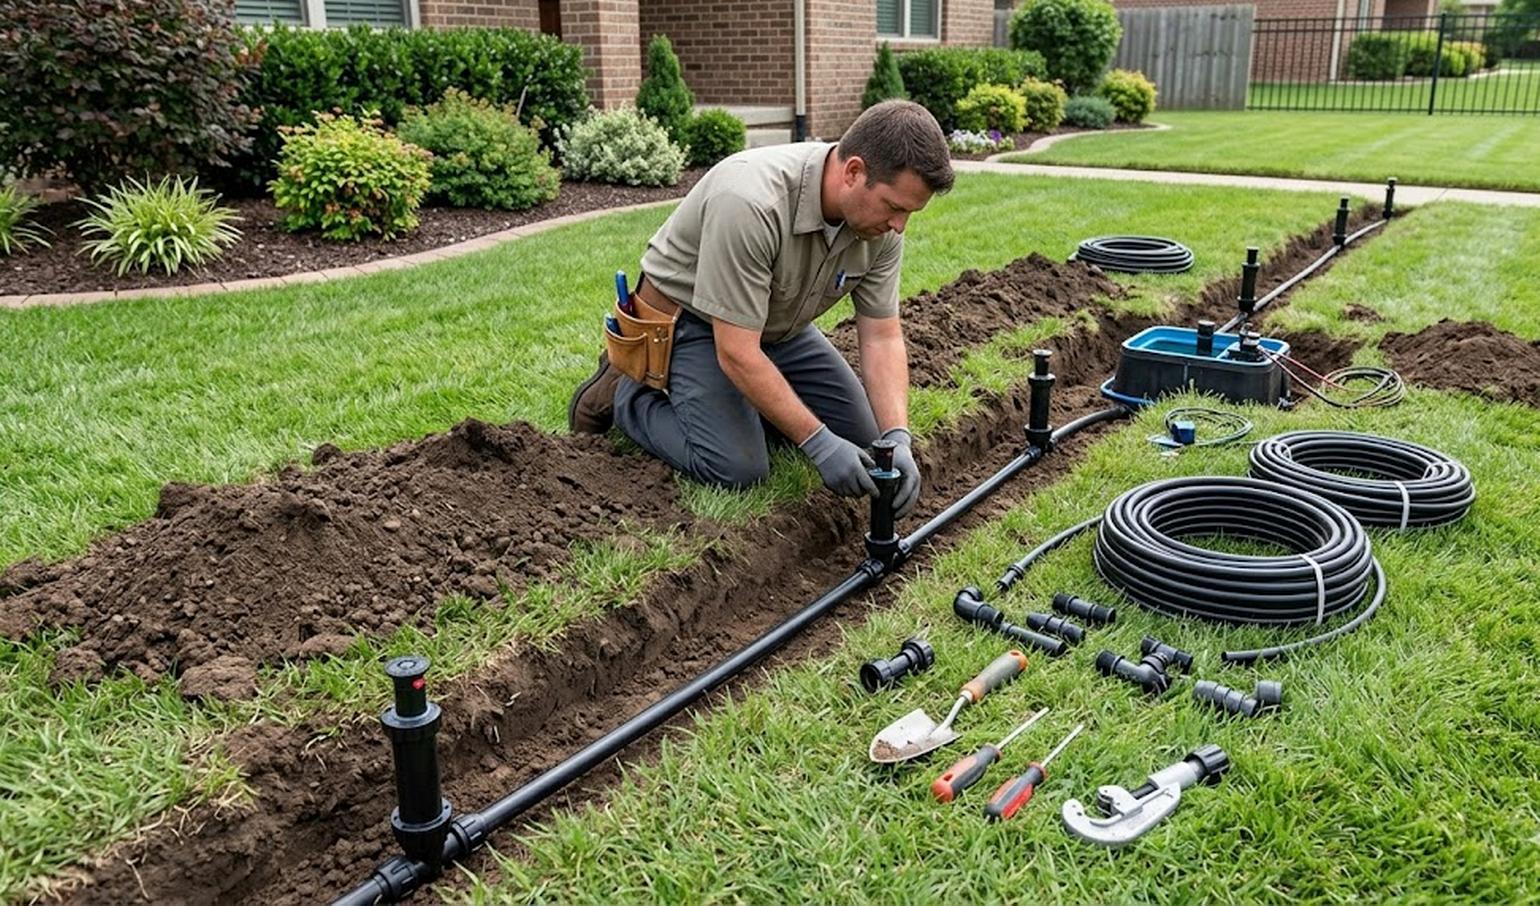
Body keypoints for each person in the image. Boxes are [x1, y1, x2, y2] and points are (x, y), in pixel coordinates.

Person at [568, 99, 954, 518]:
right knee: (737, 467)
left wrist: (897, 437)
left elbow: (882, 335)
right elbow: (736, 350)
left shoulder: (880, 230)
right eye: (895, 207)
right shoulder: (752, 201)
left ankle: (743, 405)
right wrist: (817, 442)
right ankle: (627, 392)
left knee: (866, 440)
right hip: (690, 320)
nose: (899, 227)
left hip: (777, 325)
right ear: (854, 172)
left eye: (910, 213)